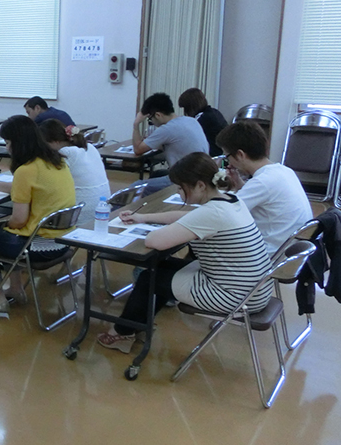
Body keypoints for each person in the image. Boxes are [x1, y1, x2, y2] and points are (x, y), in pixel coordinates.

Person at [97, 152, 273, 353]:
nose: (179, 193)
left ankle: (122, 333)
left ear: (200, 186)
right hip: (254, 290)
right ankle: (138, 325)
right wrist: (143, 218)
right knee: (161, 267)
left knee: (148, 278)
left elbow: (154, 241)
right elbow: (188, 216)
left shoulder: (212, 213)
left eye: (181, 188)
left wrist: (154, 228)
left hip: (233, 296)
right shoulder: (230, 200)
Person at [0, 116, 76, 314]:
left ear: (18, 143)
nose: (7, 147)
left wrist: (7, 224)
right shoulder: (57, 161)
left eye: (8, 142)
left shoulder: (26, 170)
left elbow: (19, 220)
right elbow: (33, 188)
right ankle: (16, 289)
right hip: (64, 241)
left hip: (40, 246)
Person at [216, 120, 313, 255]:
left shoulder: (262, 182)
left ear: (240, 155)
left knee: (210, 241)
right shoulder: (283, 171)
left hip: (269, 255)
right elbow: (260, 199)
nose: (229, 163)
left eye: (227, 157)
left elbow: (223, 213)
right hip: (291, 250)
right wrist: (238, 183)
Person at [132, 92, 209, 195]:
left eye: (150, 120)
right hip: (202, 175)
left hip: (184, 179)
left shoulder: (167, 129)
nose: (151, 123)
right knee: (157, 174)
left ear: (158, 115)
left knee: (136, 186)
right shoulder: (191, 120)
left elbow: (138, 150)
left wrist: (136, 124)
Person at [39, 119, 110, 225]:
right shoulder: (89, 147)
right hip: (102, 209)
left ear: (56, 142)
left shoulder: (65, 153)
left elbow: (48, 183)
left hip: (82, 214)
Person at [178, 88, 228, 156]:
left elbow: (185, 134)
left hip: (211, 156)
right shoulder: (214, 112)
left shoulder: (202, 118)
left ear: (190, 107)